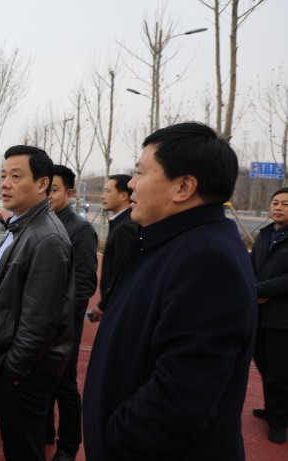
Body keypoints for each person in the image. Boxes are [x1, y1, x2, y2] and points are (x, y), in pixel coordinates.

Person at [82, 122, 256, 460]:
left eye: (140, 172)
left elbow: (180, 399)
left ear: (183, 187)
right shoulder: (171, 243)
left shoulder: (207, 259)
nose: (131, 184)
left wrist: (116, 438)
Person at [0, 145, 74, 460]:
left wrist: (11, 372)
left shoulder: (47, 239)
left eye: (16, 176)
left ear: (42, 184)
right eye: (3, 175)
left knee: (23, 451)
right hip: (16, 368)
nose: (5, 183)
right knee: (18, 446)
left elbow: (40, 322)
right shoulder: (24, 225)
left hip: (23, 375)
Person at [44, 164, 99, 461]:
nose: (47, 195)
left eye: (53, 190)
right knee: (41, 378)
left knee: (64, 384)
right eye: (44, 189)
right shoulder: (40, 222)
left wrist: (61, 321)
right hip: (40, 322)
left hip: (64, 326)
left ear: (68, 194)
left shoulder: (80, 229)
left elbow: (85, 285)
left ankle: (68, 447)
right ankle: (45, 430)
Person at [251, 187, 288, 444]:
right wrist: (254, 288)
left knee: (279, 371)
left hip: (282, 318)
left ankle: (278, 422)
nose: (278, 207)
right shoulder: (264, 235)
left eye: (285, 204)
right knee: (263, 363)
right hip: (259, 314)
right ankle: (274, 407)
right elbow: (251, 266)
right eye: (275, 203)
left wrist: (259, 290)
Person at [87, 174, 138, 323]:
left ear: (123, 196)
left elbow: (120, 272)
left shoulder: (125, 227)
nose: (102, 196)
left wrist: (104, 305)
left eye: (108, 191)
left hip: (118, 307)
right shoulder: (120, 223)